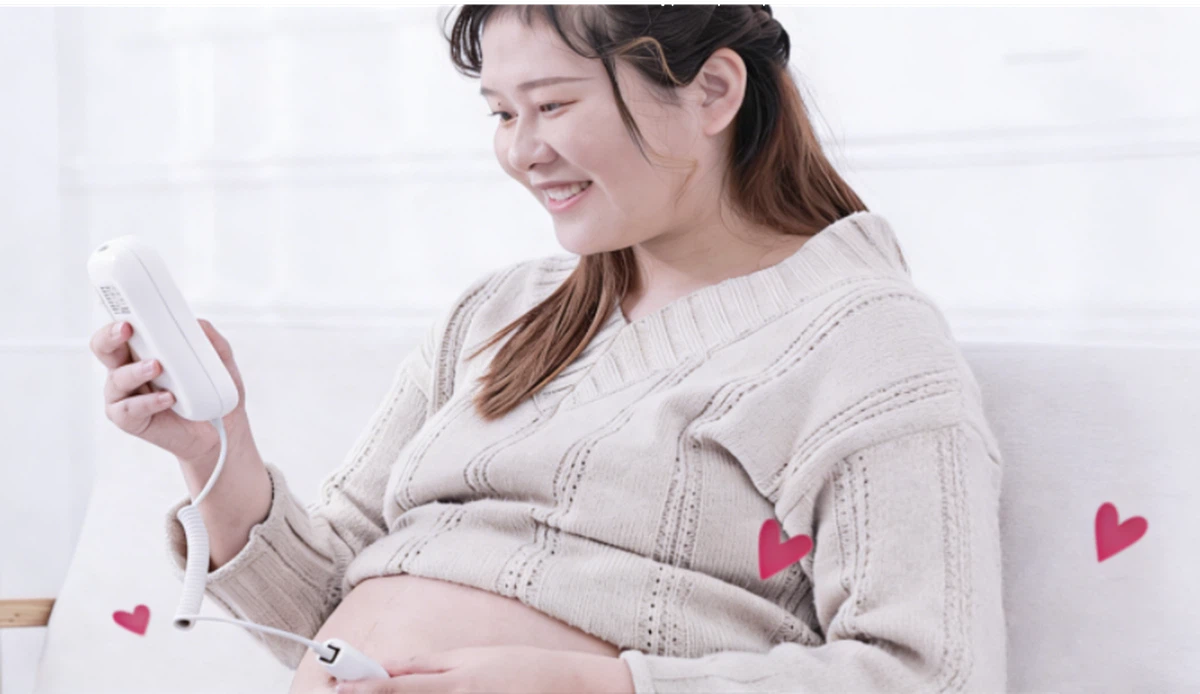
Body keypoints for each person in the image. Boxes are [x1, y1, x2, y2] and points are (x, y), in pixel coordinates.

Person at [92, 2, 1007, 692]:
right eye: (499, 113)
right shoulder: (497, 315)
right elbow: (320, 617)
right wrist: (217, 453)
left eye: (552, 104)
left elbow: (927, 672)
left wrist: (598, 685)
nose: (523, 151)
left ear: (714, 91)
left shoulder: (863, 339)